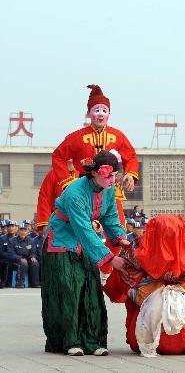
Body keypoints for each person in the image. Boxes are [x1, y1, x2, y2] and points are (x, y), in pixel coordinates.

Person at [41, 150, 132, 356]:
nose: (112, 180)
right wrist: (109, 258)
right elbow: (83, 228)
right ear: (94, 173)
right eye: (108, 175)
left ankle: (93, 341)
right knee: (69, 289)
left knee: (91, 289)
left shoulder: (108, 189)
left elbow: (110, 216)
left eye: (114, 175)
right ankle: (70, 340)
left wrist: (121, 239)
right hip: (62, 240)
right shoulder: (75, 192)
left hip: (85, 242)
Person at [103, 214, 185, 356]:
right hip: (150, 288)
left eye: (172, 233)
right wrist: (155, 287)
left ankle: (179, 339)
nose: (167, 238)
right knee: (155, 307)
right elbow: (128, 271)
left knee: (177, 307)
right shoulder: (142, 244)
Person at [50, 84, 139, 261]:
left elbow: (131, 156)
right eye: (96, 110)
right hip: (83, 191)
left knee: (118, 230)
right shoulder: (76, 137)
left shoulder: (118, 136)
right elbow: (58, 156)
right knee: (82, 231)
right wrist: (67, 181)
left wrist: (130, 174)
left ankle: (106, 271)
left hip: (109, 192)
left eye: (104, 110)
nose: (100, 114)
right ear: (90, 113)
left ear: (109, 114)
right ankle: (97, 266)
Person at [8, 222, 41, 288]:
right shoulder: (11, 240)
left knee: (35, 263)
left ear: (27, 231)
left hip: (28, 259)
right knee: (23, 264)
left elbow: (33, 251)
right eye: (21, 230)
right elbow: (11, 254)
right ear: (18, 231)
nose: (23, 232)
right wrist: (20, 258)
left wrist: (33, 257)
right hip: (15, 261)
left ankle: (35, 283)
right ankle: (19, 283)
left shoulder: (31, 240)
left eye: (25, 230)